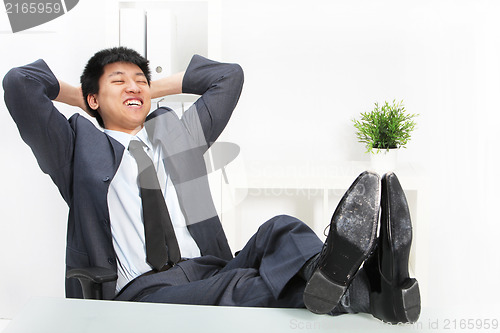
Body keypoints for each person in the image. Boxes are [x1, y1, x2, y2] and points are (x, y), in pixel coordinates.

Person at [3, 46, 420, 323]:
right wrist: (84, 96)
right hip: (143, 294)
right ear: (94, 98)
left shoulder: (175, 135)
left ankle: (341, 279)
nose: (133, 85)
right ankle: (370, 287)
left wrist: (147, 90)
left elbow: (228, 77)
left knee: (283, 227)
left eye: (139, 80)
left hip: (209, 268)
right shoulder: (74, 147)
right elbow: (20, 84)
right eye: (118, 80)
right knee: (243, 287)